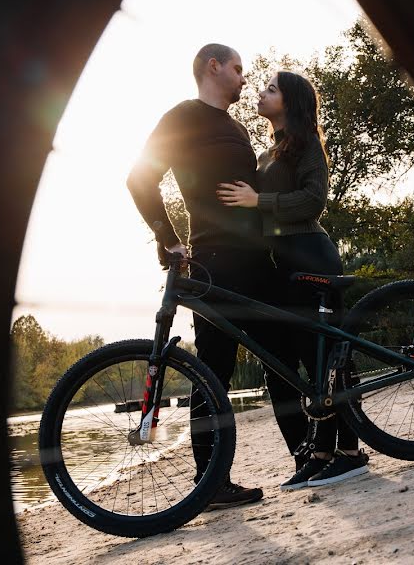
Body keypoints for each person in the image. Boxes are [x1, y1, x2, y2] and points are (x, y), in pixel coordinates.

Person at [127, 43, 270, 509]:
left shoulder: (238, 127)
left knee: (287, 352)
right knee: (214, 372)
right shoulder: (182, 118)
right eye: (237, 69)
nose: (244, 78)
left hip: (262, 258)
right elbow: (140, 179)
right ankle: (211, 485)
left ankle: (317, 458)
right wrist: (165, 237)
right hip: (215, 261)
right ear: (213, 67)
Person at [217, 71, 369, 490]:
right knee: (308, 358)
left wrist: (258, 199)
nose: (262, 94)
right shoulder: (268, 153)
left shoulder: (306, 144)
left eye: (271, 89)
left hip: (312, 254)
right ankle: (321, 453)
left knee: (331, 357)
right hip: (285, 263)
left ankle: (352, 453)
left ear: (290, 101)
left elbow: (314, 199)